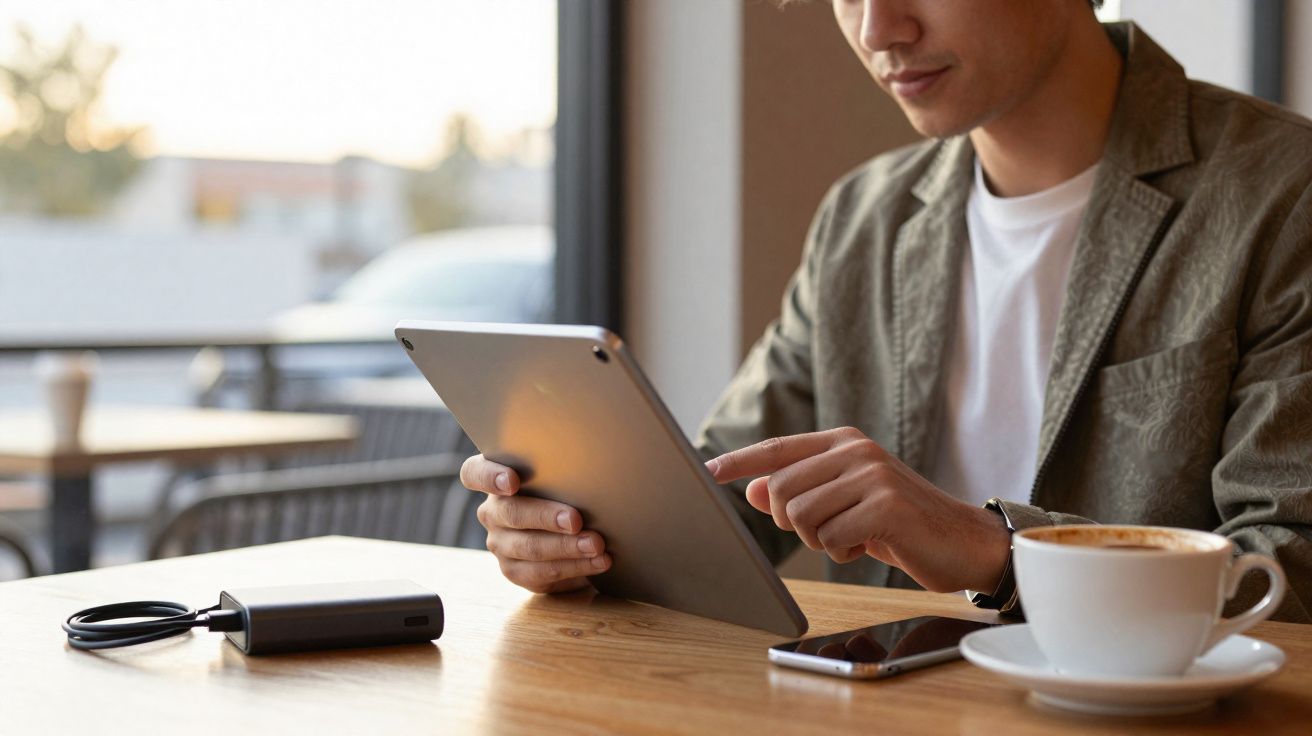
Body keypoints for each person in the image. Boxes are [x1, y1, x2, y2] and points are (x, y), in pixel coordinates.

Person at [460, 0, 1312, 622]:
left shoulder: (1281, 194)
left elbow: (1293, 574)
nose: (878, 29)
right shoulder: (863, 218)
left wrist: (996, 550)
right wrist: (582, 535)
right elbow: (726, 490)